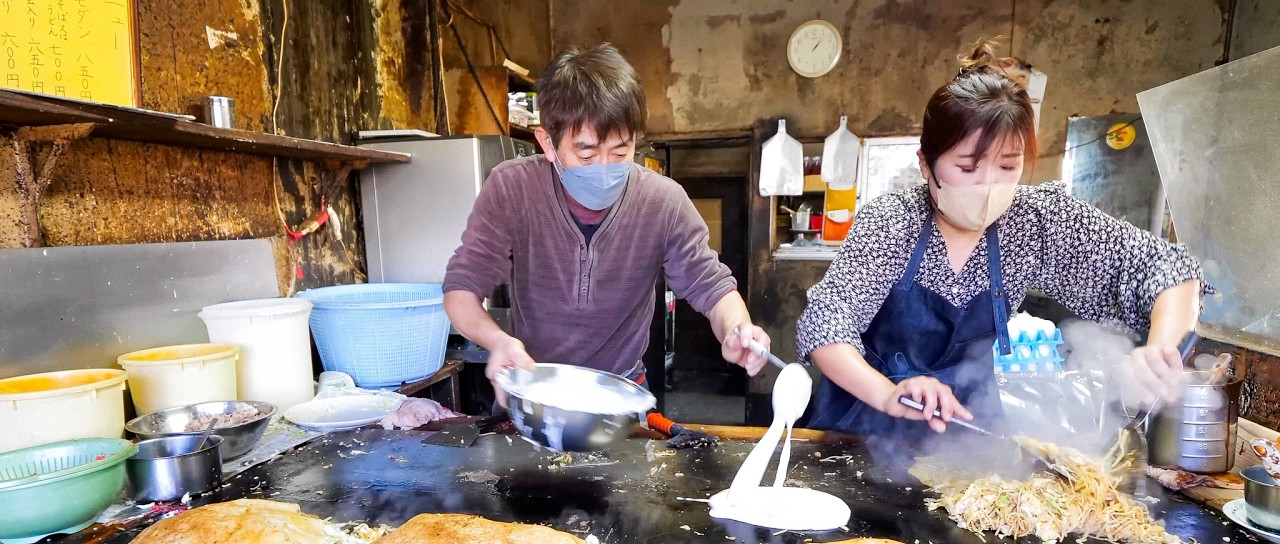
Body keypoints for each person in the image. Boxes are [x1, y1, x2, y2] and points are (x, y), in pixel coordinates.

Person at [797, 38, 1204, 449]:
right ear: (925, 164)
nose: (988, 186)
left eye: (1008, 166)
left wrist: (1160, 354)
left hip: (967, 431)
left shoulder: (1034, 221)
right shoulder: (891, 222)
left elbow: (1166, 267)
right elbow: (826, 325)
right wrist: (888, 394)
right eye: (968, 168)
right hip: (861, 426)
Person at [443, 43, 770, 405]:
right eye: (586, 153)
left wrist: (737, 329)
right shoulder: (512, 188)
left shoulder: (663, 201)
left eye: (620, 152)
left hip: (620, 395)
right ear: (547, 143)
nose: (604, 169)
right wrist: (498, 341)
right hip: (533, 389)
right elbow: (461, 289)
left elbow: (712, 286)